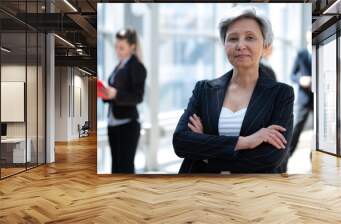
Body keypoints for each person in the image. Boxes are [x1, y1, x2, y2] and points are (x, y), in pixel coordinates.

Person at [173, 7, 294, 174]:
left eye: (250, 38)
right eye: (233, 38)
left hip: (253, 193)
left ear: (265, 46)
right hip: (201, 191)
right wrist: (245, 142)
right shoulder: (204, 90)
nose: (240, 45)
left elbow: (270, 158)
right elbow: (180, 142)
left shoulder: (281, 94)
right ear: (224, 45)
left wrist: (205, 155)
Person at [102, 28, 147, 173]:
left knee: (125, 169)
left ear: (132, 47)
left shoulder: (137, 67)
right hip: (113, 122)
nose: (117, 51)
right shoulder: (119, 66)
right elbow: (115, 93)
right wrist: (106, 94)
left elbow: (137, 97)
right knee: (115, 168)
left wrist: (116, 94)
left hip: (127, 125)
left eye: (121, 48)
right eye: (116, 47)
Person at [288, 48, 312, 156]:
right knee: (296, 129)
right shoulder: (301, 54)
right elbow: (292, 75)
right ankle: (285, 157)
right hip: (304, 99)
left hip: (320, 99)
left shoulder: (323, 48)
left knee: (323, 132)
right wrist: (301, 80)